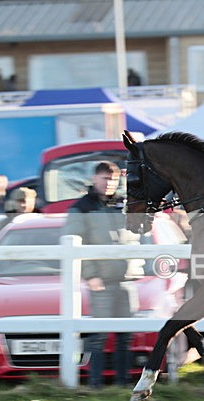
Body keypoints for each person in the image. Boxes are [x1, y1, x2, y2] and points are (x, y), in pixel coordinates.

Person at [63, 161, 135, 389]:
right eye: (105, 178)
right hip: (101, 281)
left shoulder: (124, 204)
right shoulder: (81, 207)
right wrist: (90, 275)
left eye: (114, 179)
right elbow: (73, 242)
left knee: (125, 337)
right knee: (99, 336)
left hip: (126, 279)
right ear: (94, 179)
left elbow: (134, 238)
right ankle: (95, 384)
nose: (110, 183)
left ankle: (123, 382)